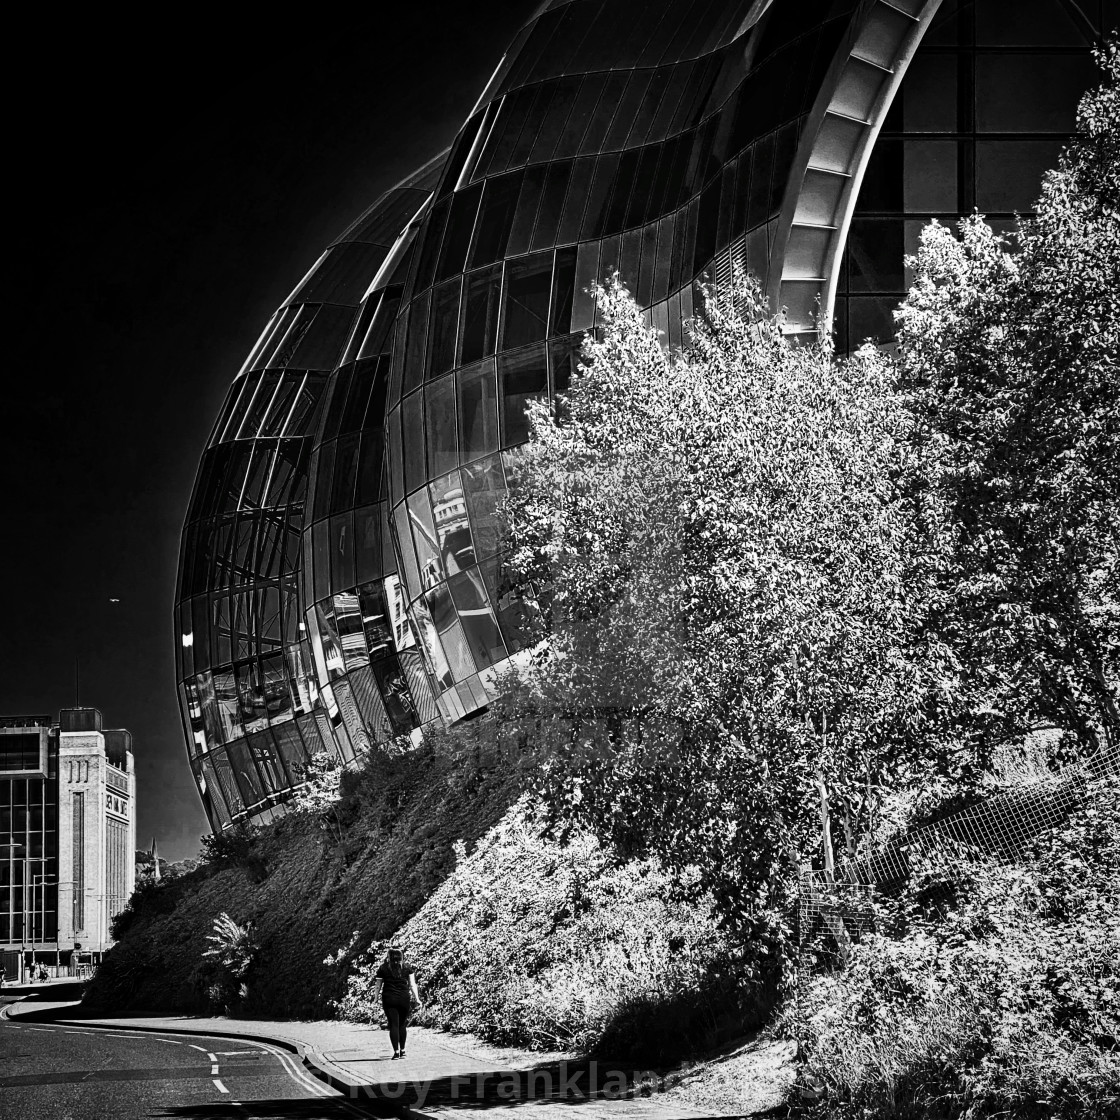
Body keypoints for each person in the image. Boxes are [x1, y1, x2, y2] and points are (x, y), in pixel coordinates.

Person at [373, 941, 422, 1059]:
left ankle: (396, 1052)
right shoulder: (407, 967)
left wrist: (375, 998)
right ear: (401, 956)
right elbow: (412, 985)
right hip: (404, 998)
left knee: (393, 1025)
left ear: (389, 956)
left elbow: (378, 986)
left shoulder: (383, 968)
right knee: (402, 1025)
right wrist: (417, 999)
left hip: (389, 998)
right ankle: (403, 1051)